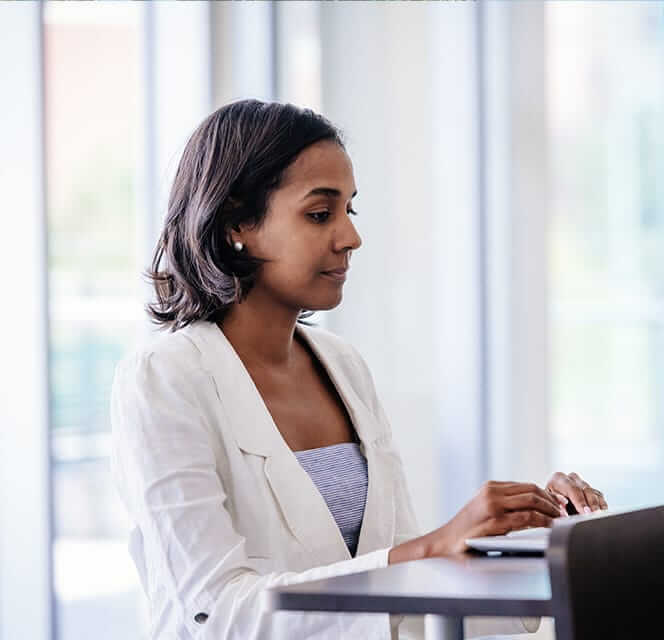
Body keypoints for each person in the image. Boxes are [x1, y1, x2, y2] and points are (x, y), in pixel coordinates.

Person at [110, 99, 608, 640]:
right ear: (237, 223)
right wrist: (427, 548)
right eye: (320, 214)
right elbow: (218, 613)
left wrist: (546, 546)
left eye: (351, 211)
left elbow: (411, 605)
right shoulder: (163, 379)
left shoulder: (342, 366)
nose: (350, 237)